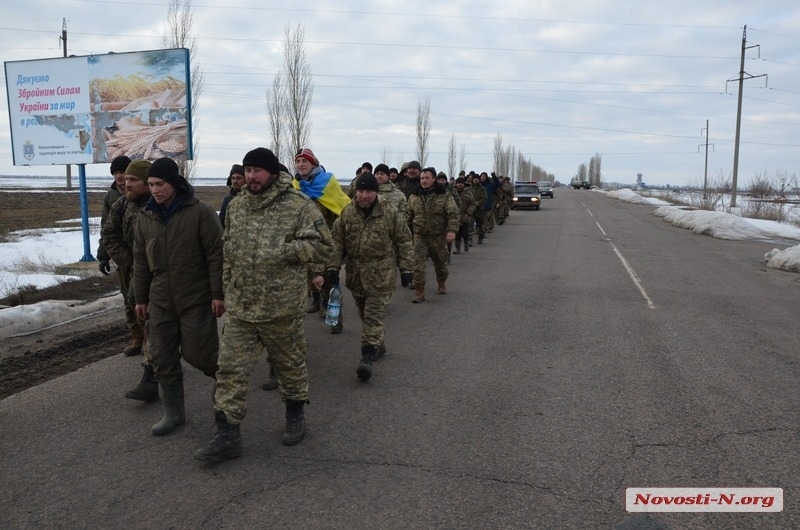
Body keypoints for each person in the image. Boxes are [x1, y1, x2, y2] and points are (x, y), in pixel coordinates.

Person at [194, 148, 333, 462]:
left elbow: (324, 246)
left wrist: (284, 250)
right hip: (243, 309)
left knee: (290, 368)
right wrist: (227, 287)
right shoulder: (238, 205)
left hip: (281, 309)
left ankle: (295, 416)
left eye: (257, 170)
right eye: (248, 170)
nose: (251, 176)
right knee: (229, 370)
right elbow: (228, 250)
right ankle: (227, 434)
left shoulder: (298, 205)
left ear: (272, 172)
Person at [133, 157, 225, 436]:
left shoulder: (200, 213)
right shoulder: (145, 217)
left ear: (173, 183)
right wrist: (140, 298)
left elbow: (216, 256)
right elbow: (140, 260)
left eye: (160, 184)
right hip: (160, 299)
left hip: (195, 298)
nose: (155, 189)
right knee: (161, 356)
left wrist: (217, 293)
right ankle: (174, 414)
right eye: (150, 185)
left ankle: (227, 397)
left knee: (202, 356)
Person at [327, 172, 414, 381]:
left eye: (368, 191)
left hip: (381, 274)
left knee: (374, 315)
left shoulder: (390, 213)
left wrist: (406, 269)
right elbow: (337, 241)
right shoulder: (348, 213)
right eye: (360, 191)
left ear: (375, 192)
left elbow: (404, 240)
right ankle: (378, 343)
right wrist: (332, 266)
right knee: (364, 313)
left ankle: (366, 356)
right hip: (356, 275)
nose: (363, 196)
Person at [101, 159, 158, 402]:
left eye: (133, 179)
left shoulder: (162, 204)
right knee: (139, 312)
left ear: (147, 183)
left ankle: (154, 371)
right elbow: (109, 235)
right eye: (124, 179)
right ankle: (153, 370)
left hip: (162, 273)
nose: (125, 183)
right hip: (132, 269)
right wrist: (131, 263)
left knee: (157, 321)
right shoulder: (121, 205)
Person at [292, 148, 351, 334]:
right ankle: (318, 304)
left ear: (313, 164)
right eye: (298, 162)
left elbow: (342, 209)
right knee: (310, 279)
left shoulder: (327, 183)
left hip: (327, 243)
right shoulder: (295, 186)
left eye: (305, 162)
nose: (301, 165)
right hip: (305, 243)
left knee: (331, 283)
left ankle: (335, 318)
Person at [97, 155, 141, 356]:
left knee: (145, 297)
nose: (119, 177)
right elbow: (106, 228)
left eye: (122, 172)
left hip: (144, 255)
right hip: (123, 256)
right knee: (128, 298)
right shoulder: (112, 197)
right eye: (115, 173)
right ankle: (136, 336)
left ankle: (154, 338)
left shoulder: (145, 192)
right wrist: (103, 255)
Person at [406, 167, 459, 303]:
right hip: (419, 235)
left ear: (434, 179)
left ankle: (441, 282)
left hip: (438, 235)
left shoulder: (444, 195)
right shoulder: (414, 196)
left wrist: (452, 230)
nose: (424, 181)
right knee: (417, 265)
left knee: (441, 264)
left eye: (427, 178)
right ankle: (419, 291)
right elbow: (407, 216)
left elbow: (453, 213)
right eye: (422, 178)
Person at [453, 176, 477, 254]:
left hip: (465, 216)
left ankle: (466, 242)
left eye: (461, 183)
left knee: (465, 232)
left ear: (464, 184)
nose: (460, 185)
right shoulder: (453, 193)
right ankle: (457, 248)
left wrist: (468, 213)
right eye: (458, 183)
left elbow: (473, 204)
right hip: (455, 216)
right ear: (456, 184)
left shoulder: (468, 193)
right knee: (456, 233)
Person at [469, 173, 488, 245]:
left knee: (479, 224)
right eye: (474, 178)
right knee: (470, 225)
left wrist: (477, 203)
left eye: (477, 178)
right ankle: (470, 240)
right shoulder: (469, 189)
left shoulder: (482, 188)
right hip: (471, 209)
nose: (475, 179)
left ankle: (480, 236)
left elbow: (485, 198)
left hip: (479, 209)